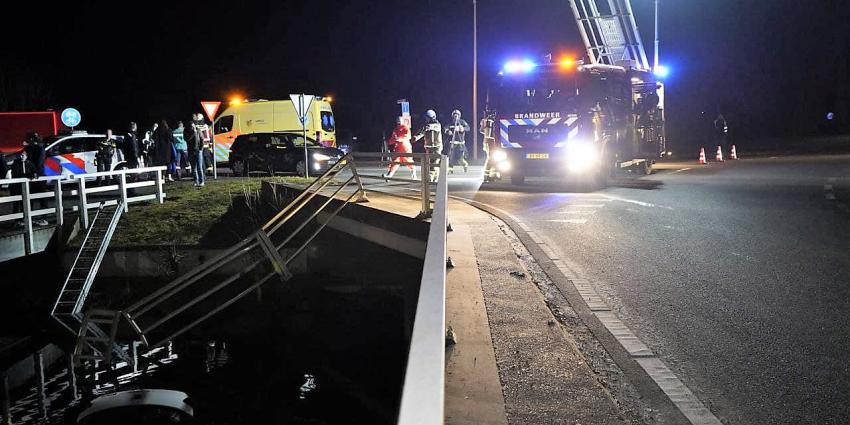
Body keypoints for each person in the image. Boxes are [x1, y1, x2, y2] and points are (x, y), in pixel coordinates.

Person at [21, 133, 49, 225]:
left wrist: (35, 172)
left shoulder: (39, 148)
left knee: (41, 198)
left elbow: (39, 162)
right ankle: (29, 218)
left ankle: (44, 218)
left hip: (39, 176)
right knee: (29, 198)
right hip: (32, 176)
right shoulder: (30, 148)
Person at [413, 109, 443, 182]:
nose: (426, 119)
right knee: (429, 162)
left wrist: (429, 127)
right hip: (428, 147)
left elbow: (436, 128)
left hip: (437, 147)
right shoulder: (425, 126)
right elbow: (421, 133)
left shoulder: (438, 124)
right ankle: (433, 176)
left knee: (435, 162)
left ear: (432, 117)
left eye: (427, 117)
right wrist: (415, 138)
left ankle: (432, 176)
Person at [445, 109, 470, 173]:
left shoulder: (462, 122)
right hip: (452, 143)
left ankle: (465, 165)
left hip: (460, 143)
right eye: (454, 115)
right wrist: (448, 131)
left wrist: (463, 128)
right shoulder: (451, 123)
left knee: (460, 158)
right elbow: (445, 128)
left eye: (457, 115)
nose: (456, 116)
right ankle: (450, 169)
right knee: (450, 156)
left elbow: (468, 128)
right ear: (452, 116)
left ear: (459, 115)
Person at [186, 115, 206, 187]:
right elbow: (187, 139)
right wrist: (193, 133)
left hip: (198, 151)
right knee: (193, 168)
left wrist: (201, 148)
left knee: (199, 167)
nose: (193, 127)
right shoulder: (186, 132)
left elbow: (202, 139)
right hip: (191, 151)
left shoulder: (198, 130)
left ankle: (202, 181)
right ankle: (196, 181)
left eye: (193, 126)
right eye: (191, 126)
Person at [480, 112, 496, 181]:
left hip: (488, 141)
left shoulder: (484, 120)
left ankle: (490, 175)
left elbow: (481, 130)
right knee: (491, 159)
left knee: (492, 159)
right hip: (490, 142)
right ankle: (487, 176)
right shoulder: (491, 120)